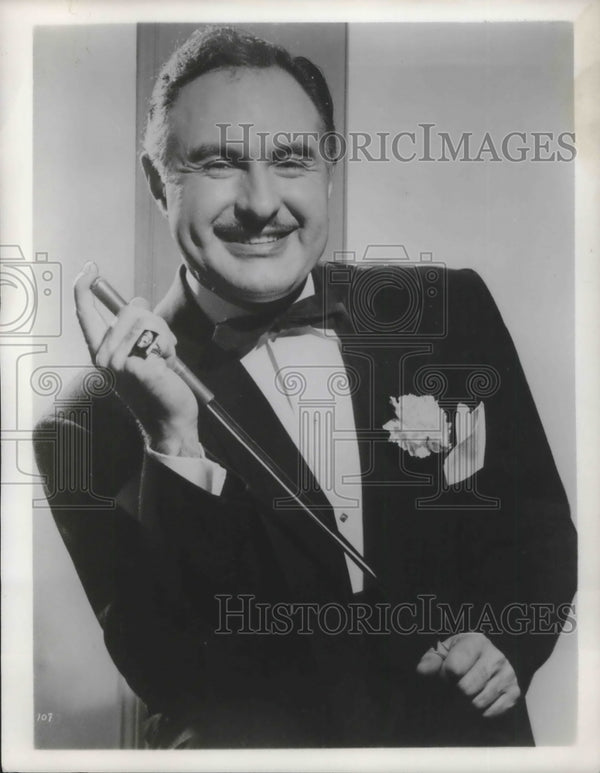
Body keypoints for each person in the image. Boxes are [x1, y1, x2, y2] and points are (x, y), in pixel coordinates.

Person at [34, 25, 577, 748]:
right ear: (156, 181)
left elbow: (535, 528)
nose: (262, 204)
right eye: (220, 162)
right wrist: (171, 437)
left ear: (328, 171)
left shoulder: (449, 312)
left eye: (290, 159)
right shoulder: (85, 425)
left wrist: (507, 641)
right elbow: (177, 677)